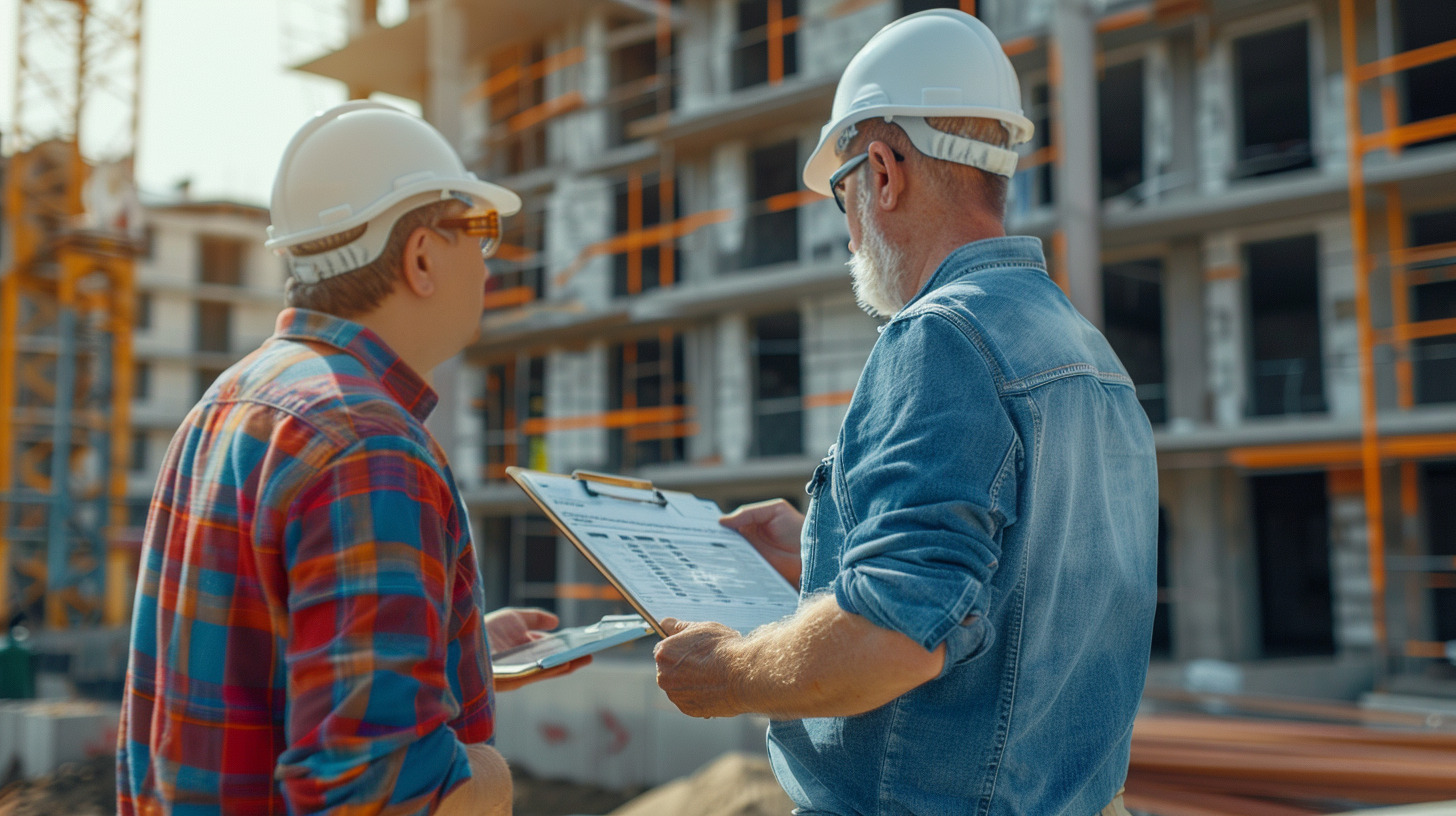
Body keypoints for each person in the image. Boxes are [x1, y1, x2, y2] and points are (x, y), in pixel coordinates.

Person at [653, 11, 1157, 816]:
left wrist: (733, 671)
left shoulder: (941, 338)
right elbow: (1013, 589)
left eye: (843, 194)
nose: (850, 230)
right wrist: (823, 554)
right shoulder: (1090, 356)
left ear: (883, 172)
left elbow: (895, 639)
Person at [117, 101, 581, 816]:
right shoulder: (369, 445)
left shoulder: (228, 402)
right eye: (478, 231)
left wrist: (445, 649)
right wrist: (488, 774)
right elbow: (381, 796)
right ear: (421, 257)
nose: (489, 262)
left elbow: (257, 663)